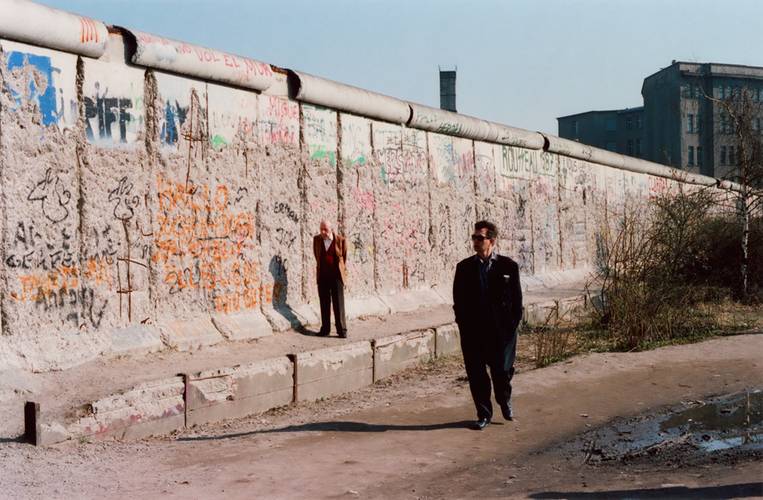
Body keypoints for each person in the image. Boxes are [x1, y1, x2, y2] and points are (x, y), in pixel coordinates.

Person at [453, 220, 523, 430]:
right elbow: (459, 300)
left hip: (501, 332)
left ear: (491, 241)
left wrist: (511, 326)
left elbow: (516, 301)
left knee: (501, 371)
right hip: (474, 331)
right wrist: (463, 325)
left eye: (479, 238)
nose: (475, 241)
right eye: (474, 237)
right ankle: (483, 414)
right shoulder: (464, 268)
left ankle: (504, 399)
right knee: (476, 375)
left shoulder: (508, 266)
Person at [313, 220, 348, 338]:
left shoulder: (340, 240)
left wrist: (340, 271)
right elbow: (317, 255)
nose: (323, 232)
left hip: (336, 277)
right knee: (324, 303)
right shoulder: (317, 240)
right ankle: (325, 329)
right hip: (323, 276)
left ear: (331, 229)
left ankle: (342, 330)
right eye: (321, 229)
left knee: (338, 304)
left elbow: (344, 258)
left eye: (325, 230)